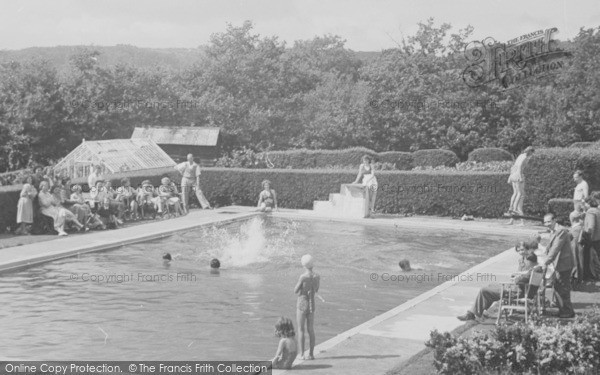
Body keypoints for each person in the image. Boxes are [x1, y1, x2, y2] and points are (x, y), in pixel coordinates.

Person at [457, 251, 540, 321]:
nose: (525, 264)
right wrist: (519, 275)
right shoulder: (537, 269)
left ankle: (471, 314)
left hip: (515, 292)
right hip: (519, 290)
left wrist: (517, 277)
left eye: (525, 261)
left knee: (484, 290)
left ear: (529, 261)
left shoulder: (532, 271)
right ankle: (479, 311)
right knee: (490, 285)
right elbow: (522, 279)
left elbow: (518, 281)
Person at [543, 213, 576, 318]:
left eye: (549, 221)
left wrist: (546, 262)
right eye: (545, 222)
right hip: (560, 263)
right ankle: (564, 310)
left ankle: (567, 312)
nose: (547, 224)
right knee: (559, 287)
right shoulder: (555, 231)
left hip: (564, 264)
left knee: (562, 288)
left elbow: (556, 248)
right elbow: (551, 247)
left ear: (554, 220)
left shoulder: (560, 230)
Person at [295, 254, 320, 360]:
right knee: (311, 329)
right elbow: (316, 290)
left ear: (303, 265)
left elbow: (296, 290)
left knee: (301, 329)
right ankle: (311, 354)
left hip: (302, 303)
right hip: (311, 303)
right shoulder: (317, 276)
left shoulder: (303, 277)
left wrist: (301, 289)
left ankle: (301, 355)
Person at [506, 146, 534, 225]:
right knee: (520, 195)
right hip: (518, 175)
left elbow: (514, 166)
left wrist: (510, 177)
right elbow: (520, 167)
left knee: (515, 193)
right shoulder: (525, 157)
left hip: (513, 175)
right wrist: (520, 176)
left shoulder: (520, 156)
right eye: (532, 153)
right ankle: (514, 210)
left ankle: (511, 211)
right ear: (530, 152)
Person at [581, 196, 600, 281]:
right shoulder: (597, 211)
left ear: (588, 203)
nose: (583, 205)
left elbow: (591, 226)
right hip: (597, 238)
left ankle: (590, 275)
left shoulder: (590, 212)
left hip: (591, 239)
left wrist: (587, 236)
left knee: (589, 258)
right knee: (597, 258)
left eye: (584, 203)